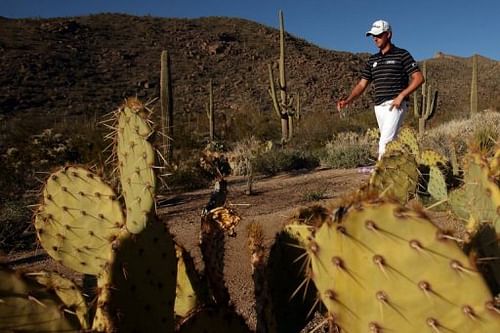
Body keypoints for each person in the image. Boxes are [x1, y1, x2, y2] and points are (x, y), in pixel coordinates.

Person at [337, 19, 424, 160]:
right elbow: (361, 85)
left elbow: (419, 78)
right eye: (373, 35)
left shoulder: (402, 54)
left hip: (396, 104)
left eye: (378, 35)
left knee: (384, 143)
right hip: (379, 107)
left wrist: (401, 96)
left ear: (388, 34)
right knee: (391, 143)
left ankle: (379, 177)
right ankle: (398, 173)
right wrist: (347, 101)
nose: (375, 38)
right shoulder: (372, 60)